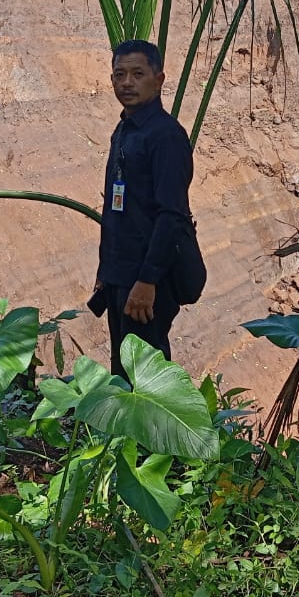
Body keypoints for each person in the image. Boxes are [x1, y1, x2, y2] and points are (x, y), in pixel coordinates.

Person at [93, 39, 194, 379]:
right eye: (119, 74)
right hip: (121, 276)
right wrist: (106, 272)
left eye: (138, 74)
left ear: (159, 79)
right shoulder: (125, 129)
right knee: (123, 373)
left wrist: (147, 281)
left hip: (146, 282)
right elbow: (119, 211)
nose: (127, 83)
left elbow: (171, 214)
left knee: (145, 377)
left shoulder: (165, 136)